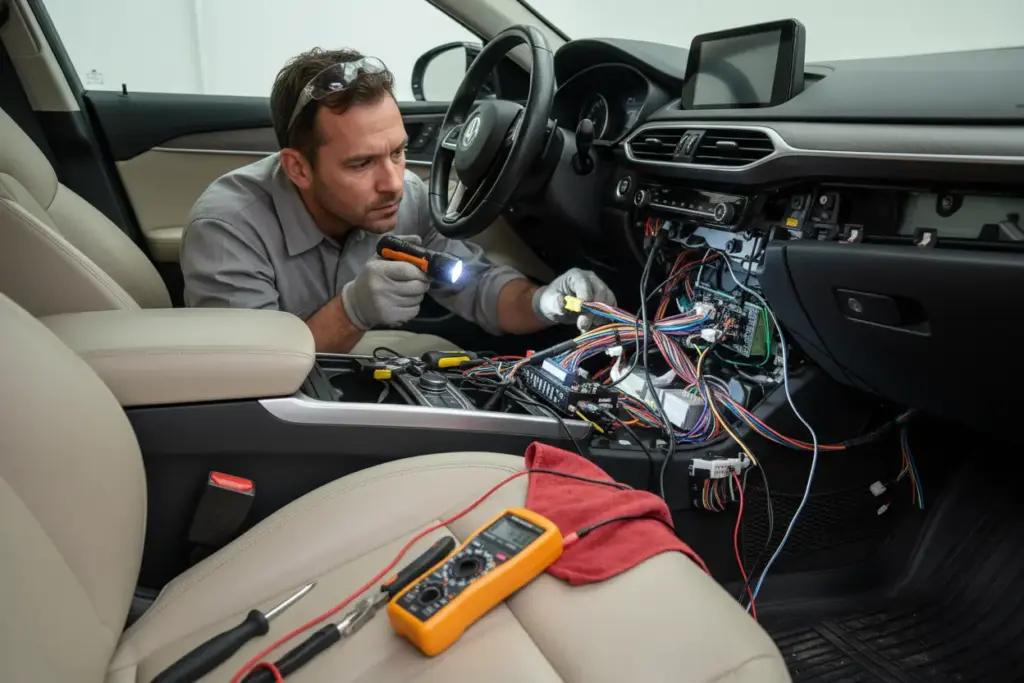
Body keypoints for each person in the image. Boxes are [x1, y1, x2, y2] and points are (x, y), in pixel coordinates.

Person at [179, 47, 616, 355]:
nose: (392, 182)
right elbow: (251, 374)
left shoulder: (406, 197)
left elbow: (477, 287)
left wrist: (545, 301)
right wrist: (352, 311)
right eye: (361, 163)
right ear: (298, 168)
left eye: (397, 151)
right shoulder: (229, 227)